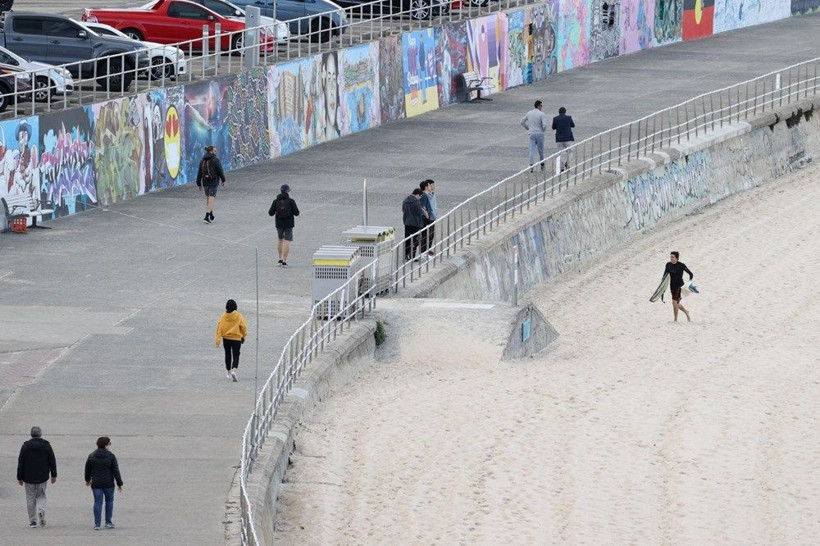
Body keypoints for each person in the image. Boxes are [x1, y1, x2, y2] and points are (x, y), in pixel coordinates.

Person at [17, 426, 57, 529]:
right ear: (40, 434)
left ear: (31, 434)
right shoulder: (46, 445)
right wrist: (54, 475)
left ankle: (32, 521)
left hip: (28, 477)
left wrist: (19, 477)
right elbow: (52, 461)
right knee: (42, 495)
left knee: (30, 498)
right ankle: (41, 511)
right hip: (42, 476)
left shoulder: (25, 446)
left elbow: (21, 462)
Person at [84, 436, 123, 531]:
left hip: (96, 483)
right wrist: (119, 483)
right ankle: (108, 522)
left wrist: (87, 480)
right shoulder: (111, 456)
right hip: (108, 483)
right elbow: (115, 471)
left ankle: (97, 524)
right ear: (106, 445)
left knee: (97, 502)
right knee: (109, 501)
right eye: (109, 444)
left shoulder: (92, 456)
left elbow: (87, 470)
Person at [215, 299, 248, 382]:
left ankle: (228, 371)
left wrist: (218, 341)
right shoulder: (238, 315)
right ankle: (234, 370)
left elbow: (219, 327)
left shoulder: (223, 316)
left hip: (226, 338)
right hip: (236, 338)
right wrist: (243, 335)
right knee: (236, 354)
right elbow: (243, 327)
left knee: (228, 354)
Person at [268, 184, 300, 267]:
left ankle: (280, 259)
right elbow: (297, 213)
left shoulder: (276, 201)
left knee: (280, 239)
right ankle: (284, 261)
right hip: (289, 223)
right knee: (286, 241)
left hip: (279, 223)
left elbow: (270, 213)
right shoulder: (291, 201)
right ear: (288, 191)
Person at [196, 145, 226, 224]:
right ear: (211, 151)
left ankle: (211, 214)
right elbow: (220, 170)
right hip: (213, 182)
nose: (216, 152)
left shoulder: (202, 160)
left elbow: (199, 173)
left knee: (208, 199)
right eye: (215, 151)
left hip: (205, 182)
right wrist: (223, 180)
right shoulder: (215, 160)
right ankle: (206, 217)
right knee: (211, 199)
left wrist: (199, 184)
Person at [664, 251, 694, 322]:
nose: (671, 258)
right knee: (676, 303)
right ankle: (686, 312)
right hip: (672, 286)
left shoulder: (681, 265)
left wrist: (689, 283)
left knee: (674, 302)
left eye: (673, 257)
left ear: (677, 258)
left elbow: (691, 274)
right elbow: (665, 275)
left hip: (679, 286)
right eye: (670, 257)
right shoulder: (668, 265)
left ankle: (675, 320)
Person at [520, 100, 550, 171]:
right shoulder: (542, 114)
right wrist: (542, 130)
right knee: (541, 150)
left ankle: (531, 165)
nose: (542, 107)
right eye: (541, 105)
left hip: (532, 133)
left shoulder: (529, 113)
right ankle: (542, 164)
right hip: (539, 134)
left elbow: (522, 122)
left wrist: (528, 128)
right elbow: (544, 125)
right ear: (539, 106)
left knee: (532, 150)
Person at [402, 188, 427, 261]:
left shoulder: (405, 200)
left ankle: (406, 255)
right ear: (418, 194)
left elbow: (403, 210)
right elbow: (419, 213)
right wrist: (423, 210)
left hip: (407, 222)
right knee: (416, 240)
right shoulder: (416, 202)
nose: (420, 198)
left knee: (407, 240)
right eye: (420, 196)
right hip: (416, 223)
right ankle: (412, 255)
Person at [552, 106, 576, 171]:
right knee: (570, 151)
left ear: (559, 112)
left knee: (560, 153)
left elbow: (553, 127)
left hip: (559, 139)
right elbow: (573, 125)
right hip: (568, 138)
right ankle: (567, 163)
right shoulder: (568, 118)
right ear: (565, 112)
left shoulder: (555, 118)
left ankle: (561, 168)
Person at [418, 179, 437, 257]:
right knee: (425, 235)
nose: (433, 186)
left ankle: (428, 250)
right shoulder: (424, 195)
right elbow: (422, 207)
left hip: (432, 217)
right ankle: (424, 252)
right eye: (431, 185)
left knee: (431, 234)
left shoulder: (432, 194)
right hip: (427, 218)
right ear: (426, 187)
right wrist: (427, 215)